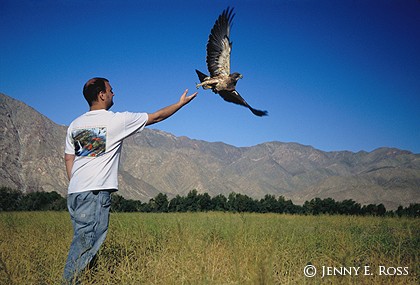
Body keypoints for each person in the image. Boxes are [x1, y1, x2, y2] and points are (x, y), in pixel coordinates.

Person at [63, 77, 197, 284]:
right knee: (85, 244)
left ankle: (90, 280)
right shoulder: (116, 120)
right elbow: (157, 117)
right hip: (94, 193)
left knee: (87, 241)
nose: (113, 93)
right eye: (111, 90)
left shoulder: (75, 124)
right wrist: (180, 104)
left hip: (76, 193)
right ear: (102, 95)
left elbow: (69, 158)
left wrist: (77, 182)